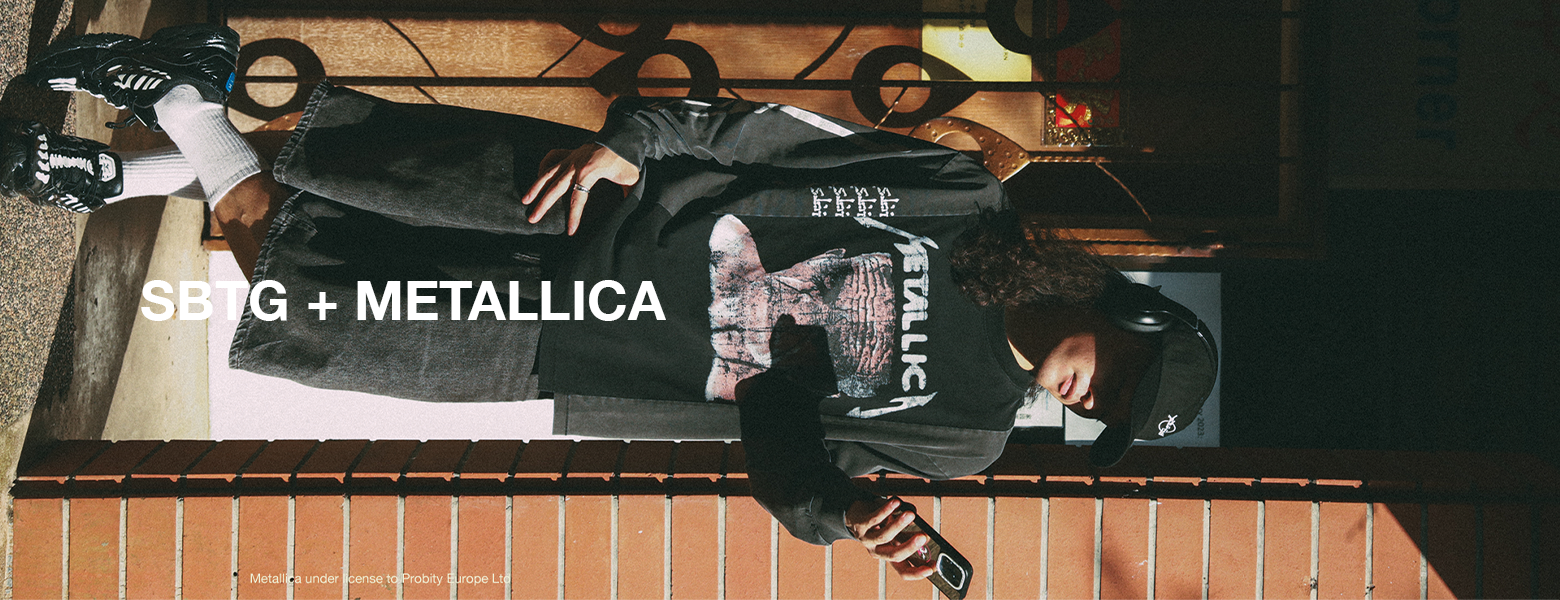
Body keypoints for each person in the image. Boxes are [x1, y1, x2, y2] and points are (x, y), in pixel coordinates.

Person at [4, 23, 1218, 579]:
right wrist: (633, 140)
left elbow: (778, 426)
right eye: (1117, 373)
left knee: (301, 287)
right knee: (333, 178)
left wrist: (838, 508)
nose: (1088, 397)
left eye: (1103, 413)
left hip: (567, 349)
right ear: (1125, 310)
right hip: (583, 207)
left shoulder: (966, 441)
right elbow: (766, 135)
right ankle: (164, 124)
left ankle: (161, 126)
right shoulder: (965, 198)